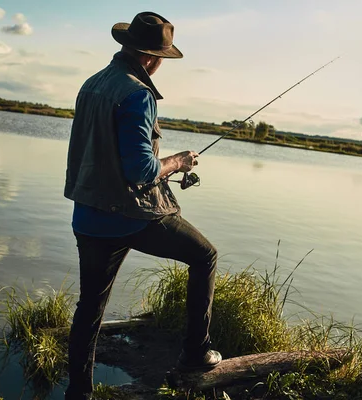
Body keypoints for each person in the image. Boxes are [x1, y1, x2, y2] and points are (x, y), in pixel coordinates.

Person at [63, 11, 222, 400]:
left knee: (90, 307)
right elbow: (141, 170)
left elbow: (108, 157)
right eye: (163, 58)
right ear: (153, 58)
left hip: (88, 214)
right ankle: (195, 354)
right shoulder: (138, 93)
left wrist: (155, 169)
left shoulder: (92, 84)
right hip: (129, 217)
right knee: (205, 256)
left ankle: (78, 393)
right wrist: (179, 162)